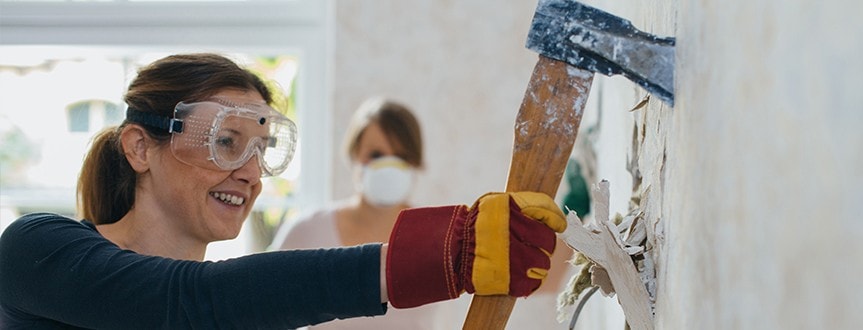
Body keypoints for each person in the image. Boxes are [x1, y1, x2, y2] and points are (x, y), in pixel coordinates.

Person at [0, 53, 567, 329]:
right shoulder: (35, 249)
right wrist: (443, 257)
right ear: (140, 148)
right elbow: (190, 302)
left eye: (262, 149)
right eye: (226, 142)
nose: (251, 173)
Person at [270, 97, 442, 329]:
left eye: (400, 156)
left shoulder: (437, 241)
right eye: (376, 155)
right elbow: (268, 315)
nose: (388, 167)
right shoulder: (305, 233)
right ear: (354, 155)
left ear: (415, 162)